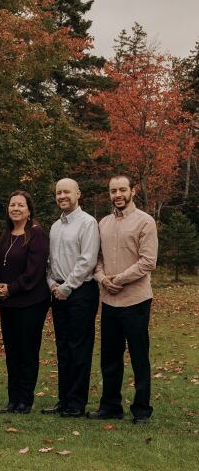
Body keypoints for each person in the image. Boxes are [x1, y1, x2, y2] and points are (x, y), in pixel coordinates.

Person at [89, 175, 157, 424]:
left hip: (136, 301)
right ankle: (110, 407)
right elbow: (97, 260)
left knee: (139, 357)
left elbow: (148, 261)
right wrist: (102, 278)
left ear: (132, 191)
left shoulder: (145, 222)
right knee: (110, 357)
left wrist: (118, 280)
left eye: (122, 190)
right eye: (113, 191)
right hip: (108, 301)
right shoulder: (103, 223)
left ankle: (141, 410)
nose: (117, 195)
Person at [43, 178, 100, 418]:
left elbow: (87, 260)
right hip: (58, 291)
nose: (62, 196)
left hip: (80, 293)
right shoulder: (56, 226)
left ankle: (76, 403)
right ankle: (64, 399)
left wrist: (68, 286)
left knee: (79, 347)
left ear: (78, 193)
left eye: (66, 191)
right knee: (63, 347)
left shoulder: (88, 223)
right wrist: (51, 283)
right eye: (58, 192)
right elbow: (51, 262)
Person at [0, 191, 50, 414]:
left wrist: (11, 288)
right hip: (8, 304)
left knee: (27, 352)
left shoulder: (36, 235)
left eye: (21, 205)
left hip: (31, 303)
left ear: (29, 210)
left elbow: (34, 271)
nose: (15, 208)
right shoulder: (6, 234)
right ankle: (12, 399)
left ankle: (25, 400)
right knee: (12, 353)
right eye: (12, 204)